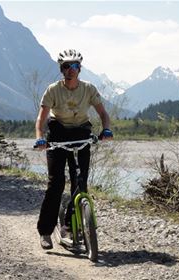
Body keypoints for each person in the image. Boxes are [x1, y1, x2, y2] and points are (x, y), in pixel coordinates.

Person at [35, 49, 113, 249]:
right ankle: (45, 231)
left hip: (81, 135)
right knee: (56, 183)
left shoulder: (88, 89)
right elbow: (41, 119)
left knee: (80, 182)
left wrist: (106, 129)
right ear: (61, 69)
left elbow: (103, 113)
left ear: (80, 69)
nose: (71, 70)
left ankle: (68, 227)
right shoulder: (53, 90)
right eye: (66, 66)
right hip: (58, 136)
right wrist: (40, 138)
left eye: (75, 66)